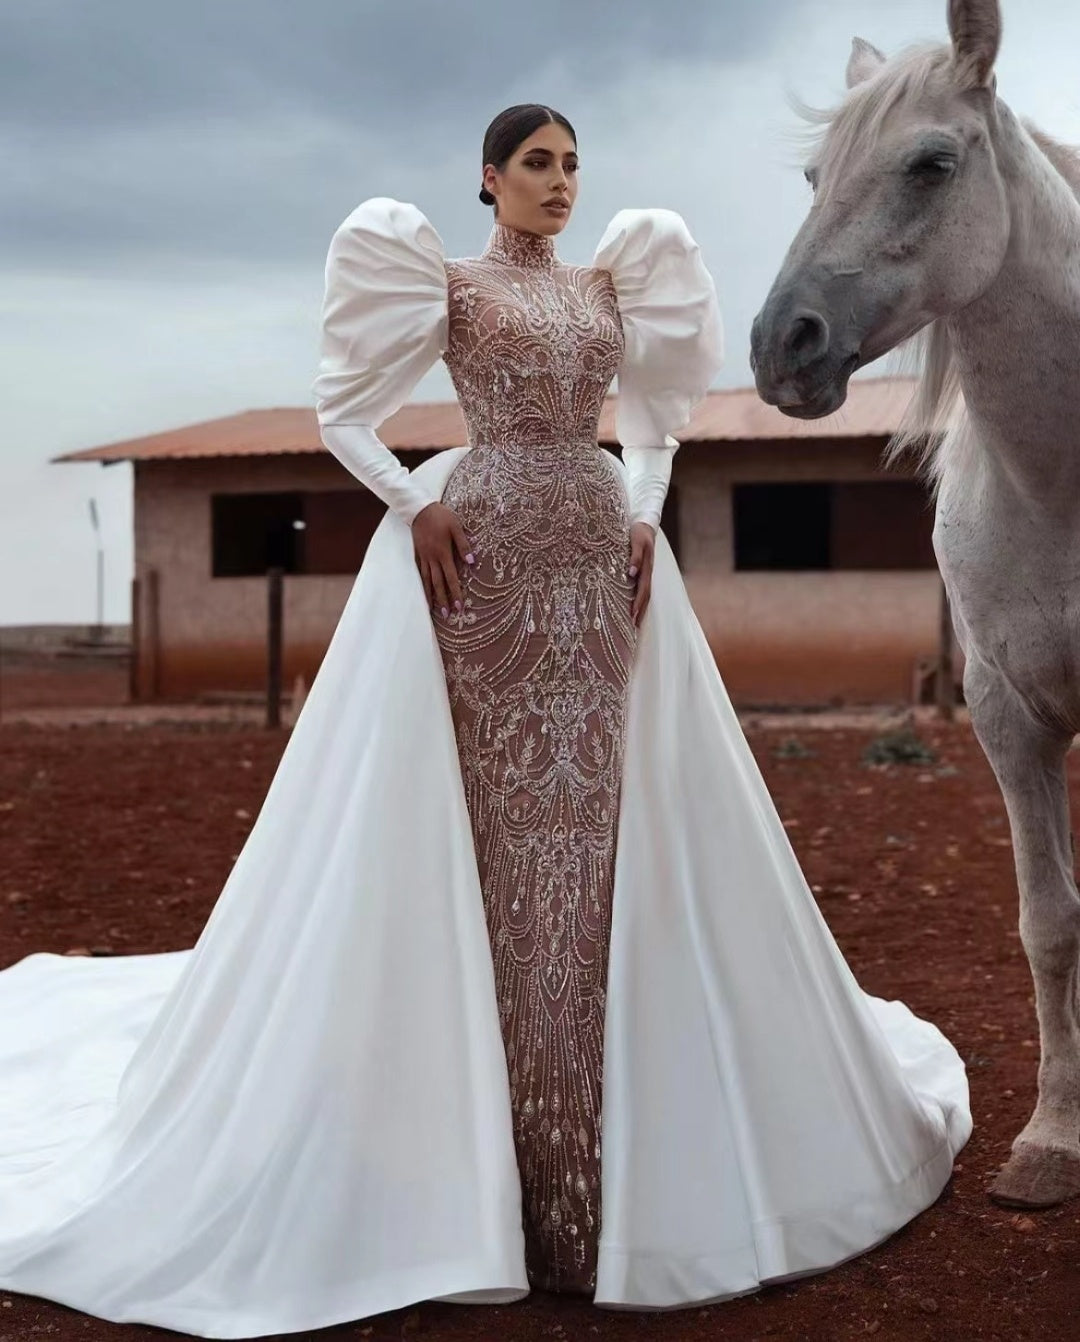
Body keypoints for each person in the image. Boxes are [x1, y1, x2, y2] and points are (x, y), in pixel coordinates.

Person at [0, 104, 971, 1338]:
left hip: (595, 557)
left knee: (603, 820)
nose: (560, 183)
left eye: (572, 164)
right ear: (487, 179)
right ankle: (471, 1152)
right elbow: (343, 412)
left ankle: (602, 1154)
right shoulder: (441, 281)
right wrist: (415, 503)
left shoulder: (619, 278)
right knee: (486, 823)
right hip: (482, 557)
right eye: (537, 165)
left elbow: (660, 417)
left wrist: (642, 512)